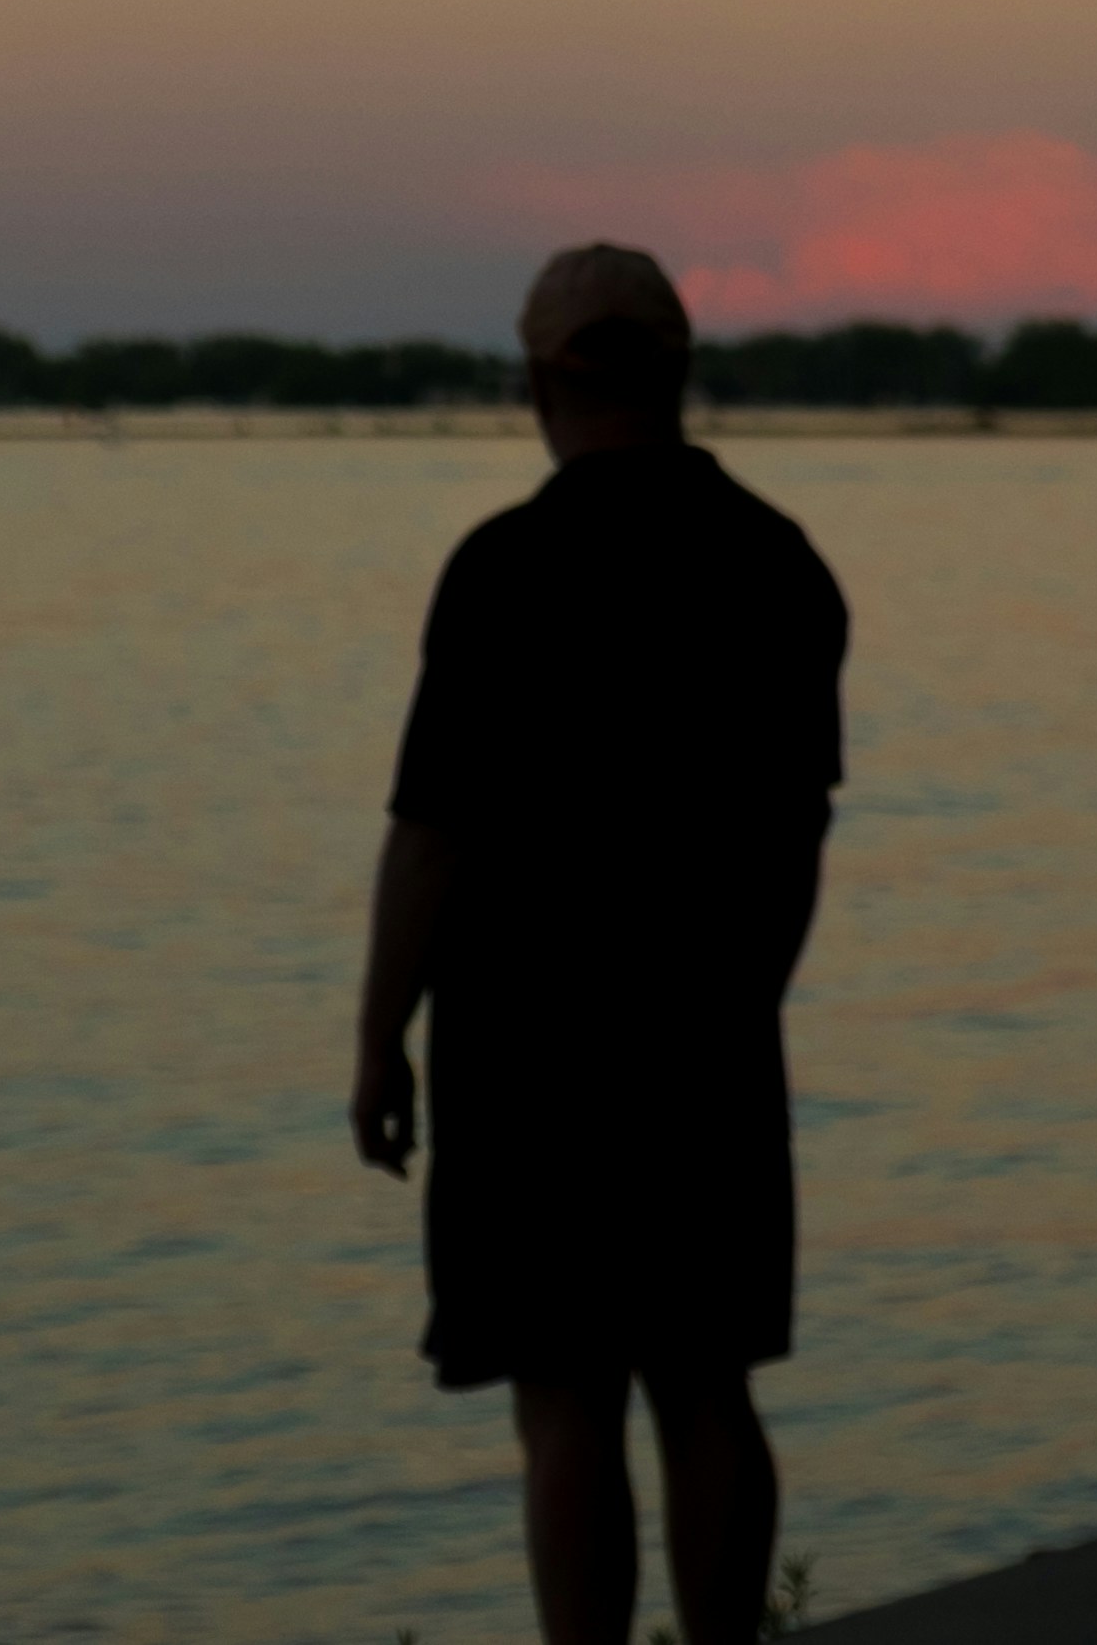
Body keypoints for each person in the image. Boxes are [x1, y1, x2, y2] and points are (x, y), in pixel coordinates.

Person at [353, 246, 848, 1645]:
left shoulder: (504, 568)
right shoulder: (776, 561)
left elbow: (433, 832)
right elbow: (797, 834)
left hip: (526, 1055)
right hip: (711, 1036)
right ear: (680, 371)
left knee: (563, 1395)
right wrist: (742, 1000)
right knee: (705, 1381)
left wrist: (378, 1036)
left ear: (537, 384)